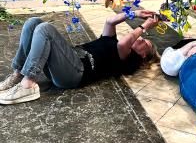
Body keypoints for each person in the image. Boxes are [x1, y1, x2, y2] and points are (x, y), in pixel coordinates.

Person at [0, 10, 160, 105]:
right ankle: (18, 74)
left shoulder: (125, 59)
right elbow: (110, 21)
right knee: (33, 22)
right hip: (67, 61)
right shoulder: (111, 41)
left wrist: (145, 26)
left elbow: (127, 40)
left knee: (44, 29)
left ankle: (28, 85)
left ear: (143, 54)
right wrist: (136, 13)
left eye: (145, 41)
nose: (141, 38)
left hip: (75, 73)